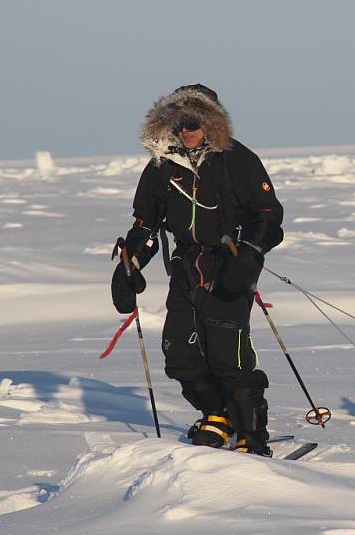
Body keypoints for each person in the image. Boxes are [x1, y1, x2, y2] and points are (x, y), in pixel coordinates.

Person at [111, 83, 284, 456]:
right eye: (179, 123)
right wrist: (131, 264)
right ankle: (217, 416)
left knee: (228, 357)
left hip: (229, 264)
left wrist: (251, 254)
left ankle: (253, 437)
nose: (186, 130)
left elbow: (269, 216)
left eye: (193, 122)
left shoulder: (237, 160)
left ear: (210, 123)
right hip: (186, 267)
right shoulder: (162, 166)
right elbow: (146, 224)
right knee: (179, 356)